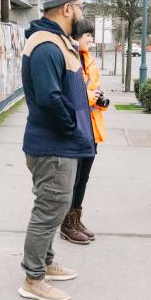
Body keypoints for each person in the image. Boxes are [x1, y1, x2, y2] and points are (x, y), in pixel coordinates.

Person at [18, 0, 95, 300]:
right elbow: (50, 99)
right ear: (67, 9)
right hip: (53, 145)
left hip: (60, 143)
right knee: (49, 209)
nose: (81, 12)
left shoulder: (57, 41)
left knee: (56, 206)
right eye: (79, 6)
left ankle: (45, 262)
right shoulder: (47, 46)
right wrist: (71, 128)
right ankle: (33, 278)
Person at [60, 18, 108, 245]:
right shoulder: (68, 61)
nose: (90, 39)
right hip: (75, 127)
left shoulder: (89, 61)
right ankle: (66, 224)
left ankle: (75, 219)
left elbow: (92, 90)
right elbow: (68, 95)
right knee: (74, 178)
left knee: (84, 178)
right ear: (75, 37)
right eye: (87, 35)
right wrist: (90, 97)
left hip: (91, 126)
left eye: (91, 35)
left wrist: (100, 100)